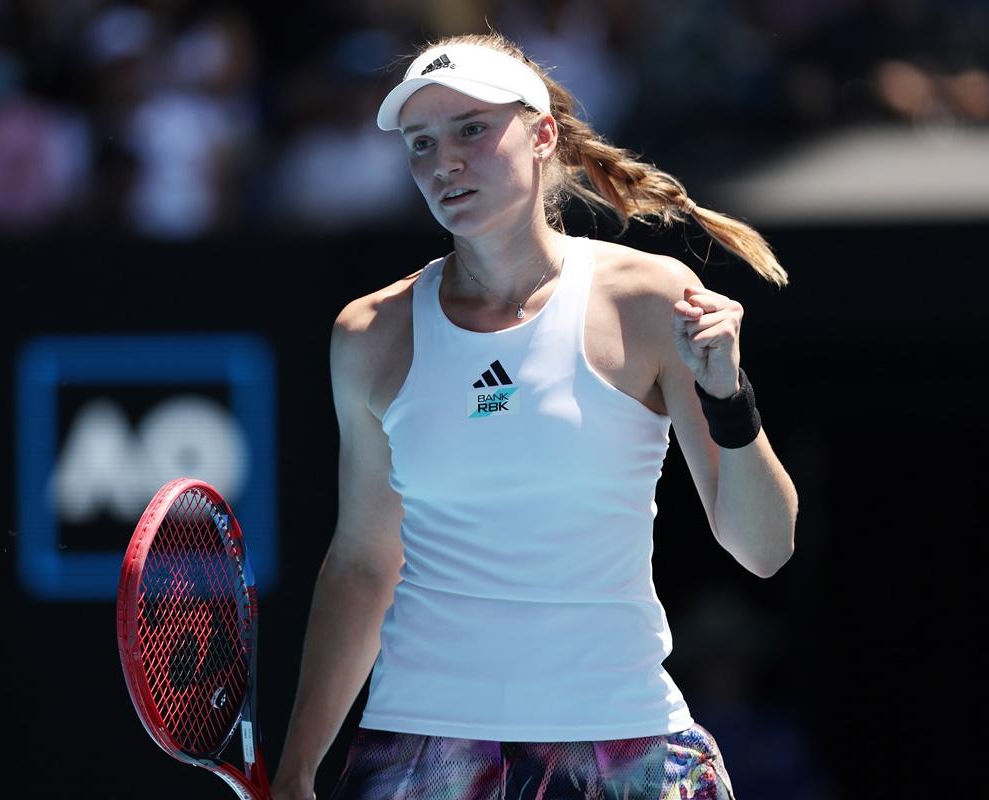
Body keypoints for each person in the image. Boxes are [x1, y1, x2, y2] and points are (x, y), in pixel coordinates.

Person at [271, 30, 798, 800]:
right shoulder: (369, 335)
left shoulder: (649, 298)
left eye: (471, 130)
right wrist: (295, 771)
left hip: (625, 743)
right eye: (420, 143)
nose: (442, 161)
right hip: (424, 749)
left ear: (542, 133)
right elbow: (362, 563)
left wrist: (729, 397)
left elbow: (764, 548)